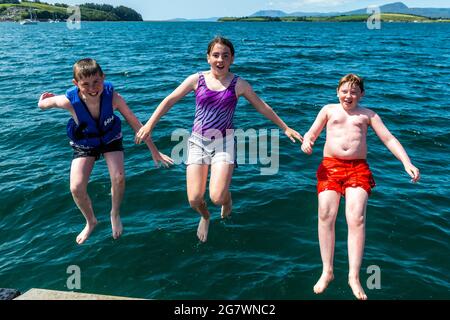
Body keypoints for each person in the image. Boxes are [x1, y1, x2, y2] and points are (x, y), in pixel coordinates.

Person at [135, 36, 303, 243]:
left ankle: (227, 200)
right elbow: (169, 100)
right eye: (215, 55)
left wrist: (284, 127)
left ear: (232, 59)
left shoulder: (238, 84)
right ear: (208, 58)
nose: (220, 60)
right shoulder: (197, 79)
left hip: (224, 143)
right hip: (197, 142)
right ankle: (205, 217)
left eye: (225, 55)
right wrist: (150, 124)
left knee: (217, 197)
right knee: (194, 199)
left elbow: (261, 106)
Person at [301, 73, 420, 300]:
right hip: (330, 167)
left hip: (358, 169)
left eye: (354, 92)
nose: (349, 95)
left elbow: (389, 139)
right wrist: (308, 141)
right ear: (337, 92)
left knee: (356, 217)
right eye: (345, 91)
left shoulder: (368, 115)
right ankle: (327, 271)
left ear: (362, 94)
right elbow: (312, 132)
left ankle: (353, 276)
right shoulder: (328, 110)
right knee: (326, 213)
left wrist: (407, 162)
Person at [38, 58, 173, 244]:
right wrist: (43, 100)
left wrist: (154, 151)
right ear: (76, 84)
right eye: (85, 84)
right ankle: (91, 221)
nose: (92, 88)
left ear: (103, 77)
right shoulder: (68, 101)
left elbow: (136, 124)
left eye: (97, 82)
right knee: (76, 187)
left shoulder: (114, 98)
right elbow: (44, 104)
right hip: (85, 142)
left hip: (110, 139)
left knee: (118, 177)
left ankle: (115, 213)